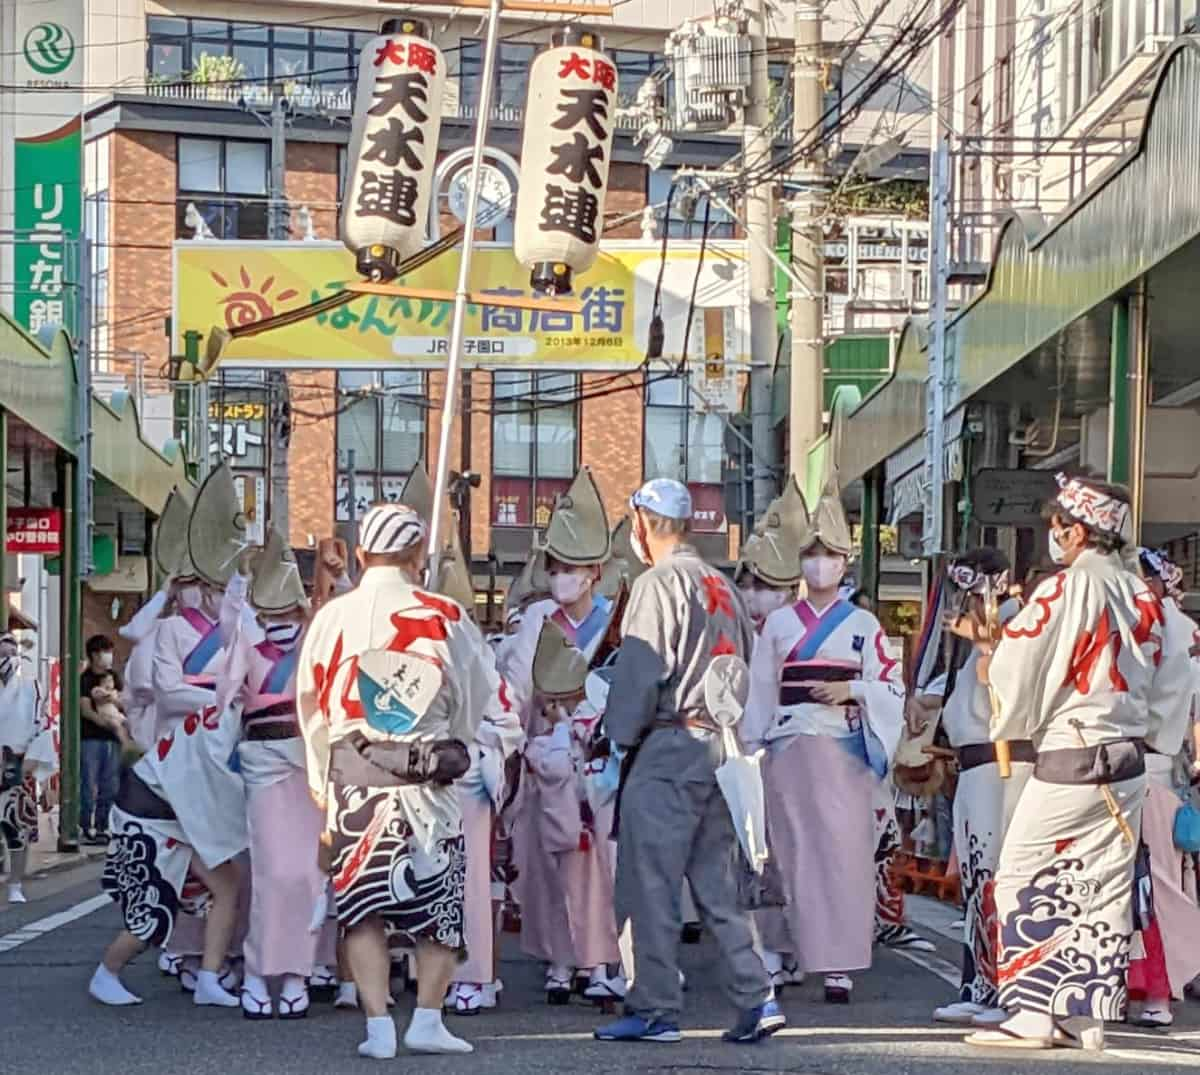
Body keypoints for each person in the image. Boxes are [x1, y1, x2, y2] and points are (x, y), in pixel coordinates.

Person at [966, 475, 1193, 1050]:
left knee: (1023, 872)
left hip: (1073, 746)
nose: (1053, 536)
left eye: (1056, 527)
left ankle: (1036, 1011)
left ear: (1074, 530)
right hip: (1128, 759)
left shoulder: (1064, 589)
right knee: (1102, 884)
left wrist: (1003, 693)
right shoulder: (1147, 597)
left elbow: (1020, 662)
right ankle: (1083, 1012)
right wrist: (1158, 737)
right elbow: (1178, 671)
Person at [296, 503, 495, 1059]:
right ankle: (427, 1017)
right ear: (416, 556)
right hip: (428, 773)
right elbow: (477, 691)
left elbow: (310, 703)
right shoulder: (447, 613)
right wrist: (450, 735)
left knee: (362, 905)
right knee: (439, 904)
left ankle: (378, 1023)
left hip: (355, 776)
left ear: (360, 555)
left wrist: (319, 772)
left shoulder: (332, 616)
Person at [595, 478, 782, 1045]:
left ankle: (654, 1008)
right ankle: (756, 997)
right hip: (721, 745)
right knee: (718, 884)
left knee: (649, 884)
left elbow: (639, 673)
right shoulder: (719, 584)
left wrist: (615, 736)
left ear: (643, 523)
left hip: (669, 744)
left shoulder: (657, 585)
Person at [90, 463, 250, 1010]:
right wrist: (221, 699)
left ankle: (208, 977)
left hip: (189, 779)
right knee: (154, 905)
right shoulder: (168, 630)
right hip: (159, 791)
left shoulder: (229, 632)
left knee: (225, 884)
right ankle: (108, 970)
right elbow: (166, 687)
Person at [741, 479, 905, 1004]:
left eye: (829, 555)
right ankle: (779, 952)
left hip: (843, 750)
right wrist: (749, 745)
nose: (818, 565)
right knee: (783, 853)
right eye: (810, 555)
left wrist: (852, 687)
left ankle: (839, 964)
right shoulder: (780, 624)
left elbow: (892, 686)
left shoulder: (863, 624)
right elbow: (762, 687)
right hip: (788, 745)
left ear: (843, 562)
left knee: (842, 855)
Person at [499, 467, 620, 1004]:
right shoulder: (536, 621)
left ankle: (599, 960)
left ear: (595, 571)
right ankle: (558, 958)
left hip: (597, 758)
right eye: (555, 567)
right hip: (547, 753)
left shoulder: (616, 621)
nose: (561, 576)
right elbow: (514, 689)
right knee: (548, 862)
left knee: (600, 864)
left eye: (571, 567)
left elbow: (625, 686)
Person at [228, 527, 336, 1021]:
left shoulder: (315, 643)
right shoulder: (245, 644)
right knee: (272, 874)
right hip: (266, 765)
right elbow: (224, 702)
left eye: (286, 612)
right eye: (269, 614)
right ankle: (257, 971)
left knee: (309, 877)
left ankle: (297, 971)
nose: (279, 622)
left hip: (310, 768)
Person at [928, 548, 1035, 1026]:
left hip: (1004, 764)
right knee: (977, 881)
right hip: (976, 766)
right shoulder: (982, 639)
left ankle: (1006, 990)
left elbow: (1008, 691)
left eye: (968, 592)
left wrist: (989, 645)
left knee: (996, 879)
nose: (960, 604)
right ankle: (979, 984)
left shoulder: (1015, 630)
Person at [1123, 548, 1200, 1027]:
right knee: (1161, 885)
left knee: (1146, 886)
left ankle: (1155, 991)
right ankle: (1154, 990)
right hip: (1161, 767)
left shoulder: (1151, 627)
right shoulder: (1185, 630)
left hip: (1140, 764)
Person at [0, 632, 54, 904]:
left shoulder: (32, 688)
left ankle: (15, 881)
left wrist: (32, 765)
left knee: (15, 828)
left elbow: (42, 726)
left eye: (10, 653)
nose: (5, 658)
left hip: (17, 763)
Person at [80, 634, 126, 844]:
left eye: (108, 651)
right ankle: (84, 825)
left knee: (110, 784)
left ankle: (102, 825)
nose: (107, 656)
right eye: (103, 652)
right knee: (88, 782)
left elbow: (123, 701)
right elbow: (86, 710)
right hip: (90, 738)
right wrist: (106, 722)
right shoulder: (85, 679)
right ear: (94, 655)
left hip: (112, 740)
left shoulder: (114, 677)